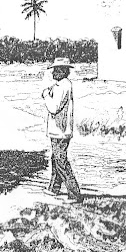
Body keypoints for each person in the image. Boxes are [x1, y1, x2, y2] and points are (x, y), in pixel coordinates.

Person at [41, 57, 83, 203]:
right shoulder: (63, 85)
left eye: (56, 70)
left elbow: (54, 108)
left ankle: (74, 194)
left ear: (63, 71)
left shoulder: (62, 87)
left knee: (61, 161)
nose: (52, 72)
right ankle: (54, 188)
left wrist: (46, 95)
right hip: (60, 130)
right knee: (56, 159)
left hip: (60, 131)